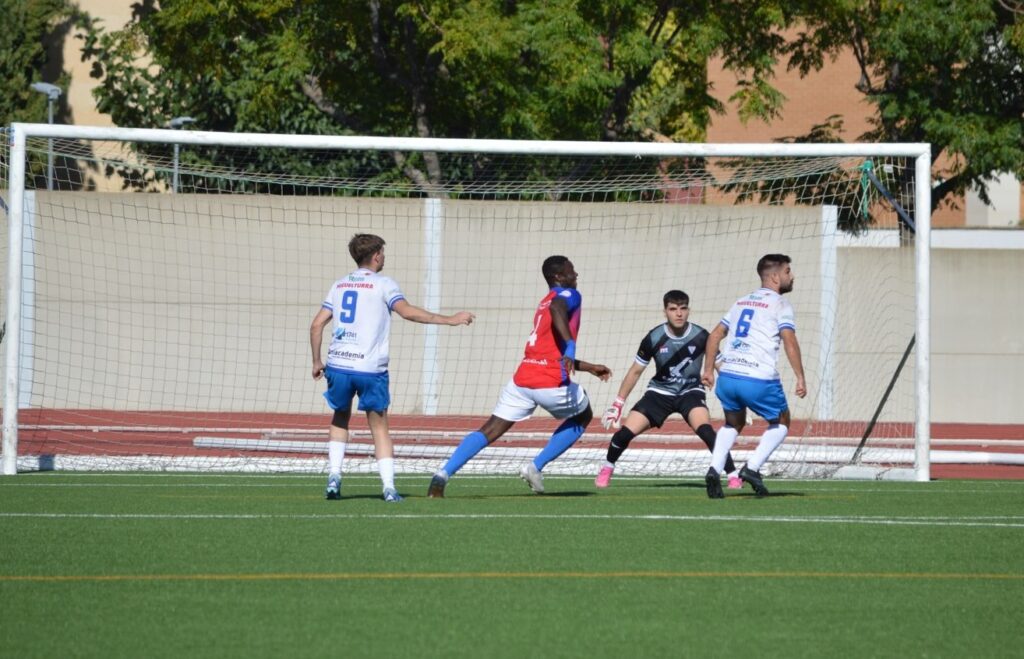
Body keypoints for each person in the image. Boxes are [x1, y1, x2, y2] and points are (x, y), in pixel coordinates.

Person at [427, 255, 611, 497]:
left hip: (523, 379)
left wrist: (589, 367)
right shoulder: (567, 296)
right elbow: (560, 312)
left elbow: (549, 350)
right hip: (550, 383)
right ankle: (535, 466)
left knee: (490, 429)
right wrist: (571, 346)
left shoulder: (543, 303)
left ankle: (442, 474)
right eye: (571, 271)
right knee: (583, 415)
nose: (575, 275)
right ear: (558, 277)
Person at [310, 234, 474, 502]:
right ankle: (388, 488)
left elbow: (316, 325)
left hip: (338, 365)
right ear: (376, 255)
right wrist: (450, 320)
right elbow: (408, 312)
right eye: (383, 253)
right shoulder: (383, 284)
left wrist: (317, 361)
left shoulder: (339, 285)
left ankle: (334, 477)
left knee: (340, 417)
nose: (384, 257)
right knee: (379, 428)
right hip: (369, 368)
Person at [596, 290, 740, 489]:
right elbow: (635, 371)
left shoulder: (702, 336)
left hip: (690, 392)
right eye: (673, 309)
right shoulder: (653, 338)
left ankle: (733, 476)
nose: (678, 314)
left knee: (707, 432)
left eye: (683, 308)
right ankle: (607, 467)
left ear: (689, 310)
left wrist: (737, 397)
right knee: (624, 434)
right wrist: (618, 403)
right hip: (659, 393)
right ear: (665, 311)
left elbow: (721, 367)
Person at [701, 253, 807, 498]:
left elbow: (714, 335)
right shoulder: (780, 304)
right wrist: (800, 377)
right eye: (788, 271)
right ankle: (752, 468)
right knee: (781, 421)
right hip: (757, 378)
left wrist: (708, 370)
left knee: (732, 423)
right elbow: (790, 341)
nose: (792, 276)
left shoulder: (742, 301)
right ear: (774, 277)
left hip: (728, 377)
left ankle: (714, 470)